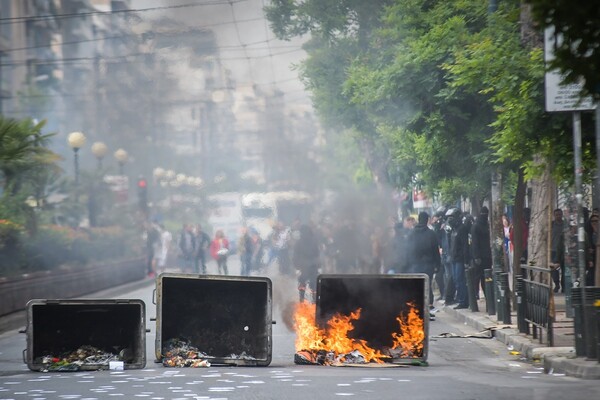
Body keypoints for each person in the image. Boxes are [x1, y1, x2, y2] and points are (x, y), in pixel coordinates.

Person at [407, 211, 441, 308]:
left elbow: (408, 250)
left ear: (418, 220)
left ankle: (417, 303)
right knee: (427, 284)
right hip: (428, 265)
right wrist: (437, 265)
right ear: (427, 220)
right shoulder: (431, 234)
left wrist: (408, 264)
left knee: (417, 284)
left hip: (415, 265)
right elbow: (436, 251)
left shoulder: (411, 234)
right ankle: (429, 303)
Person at [293, 224, 320, 302]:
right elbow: (317, 254)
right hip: (312, 266)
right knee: (313, 285)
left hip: (304, 267)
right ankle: (314, 301)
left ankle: (302, 300)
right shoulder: (314, 241)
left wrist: (297, 266)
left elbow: (295, 255)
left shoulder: (299, 242)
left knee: (302, 284)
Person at [452, 214, 473, 309]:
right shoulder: (455, 230)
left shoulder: (462, 229)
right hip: (455, 258)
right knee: (457, 280)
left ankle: (463, 301)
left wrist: (466, 260)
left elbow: (465, 246)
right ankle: (461, 299)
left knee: (460, 280)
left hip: (460, 259)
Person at [471, 206, 492, 300]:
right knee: (478, 276)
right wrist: (476, 256)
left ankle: (487, 294)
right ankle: (476, 294)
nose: (485, 216)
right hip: (480, 255)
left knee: (486, 276)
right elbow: (475, 242)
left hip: (487, 255)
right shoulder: (476, 225)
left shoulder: (487, 224)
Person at [550, 208, 565, 293]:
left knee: (563, 268)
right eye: (556, 215)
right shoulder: (551, 225)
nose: (558, 216)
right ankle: (557, 284)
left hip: (563, 251)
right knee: (553, 268)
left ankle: (564, 286)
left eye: (559, 214)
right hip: (553, 250)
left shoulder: (565, 224)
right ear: (554, 215)